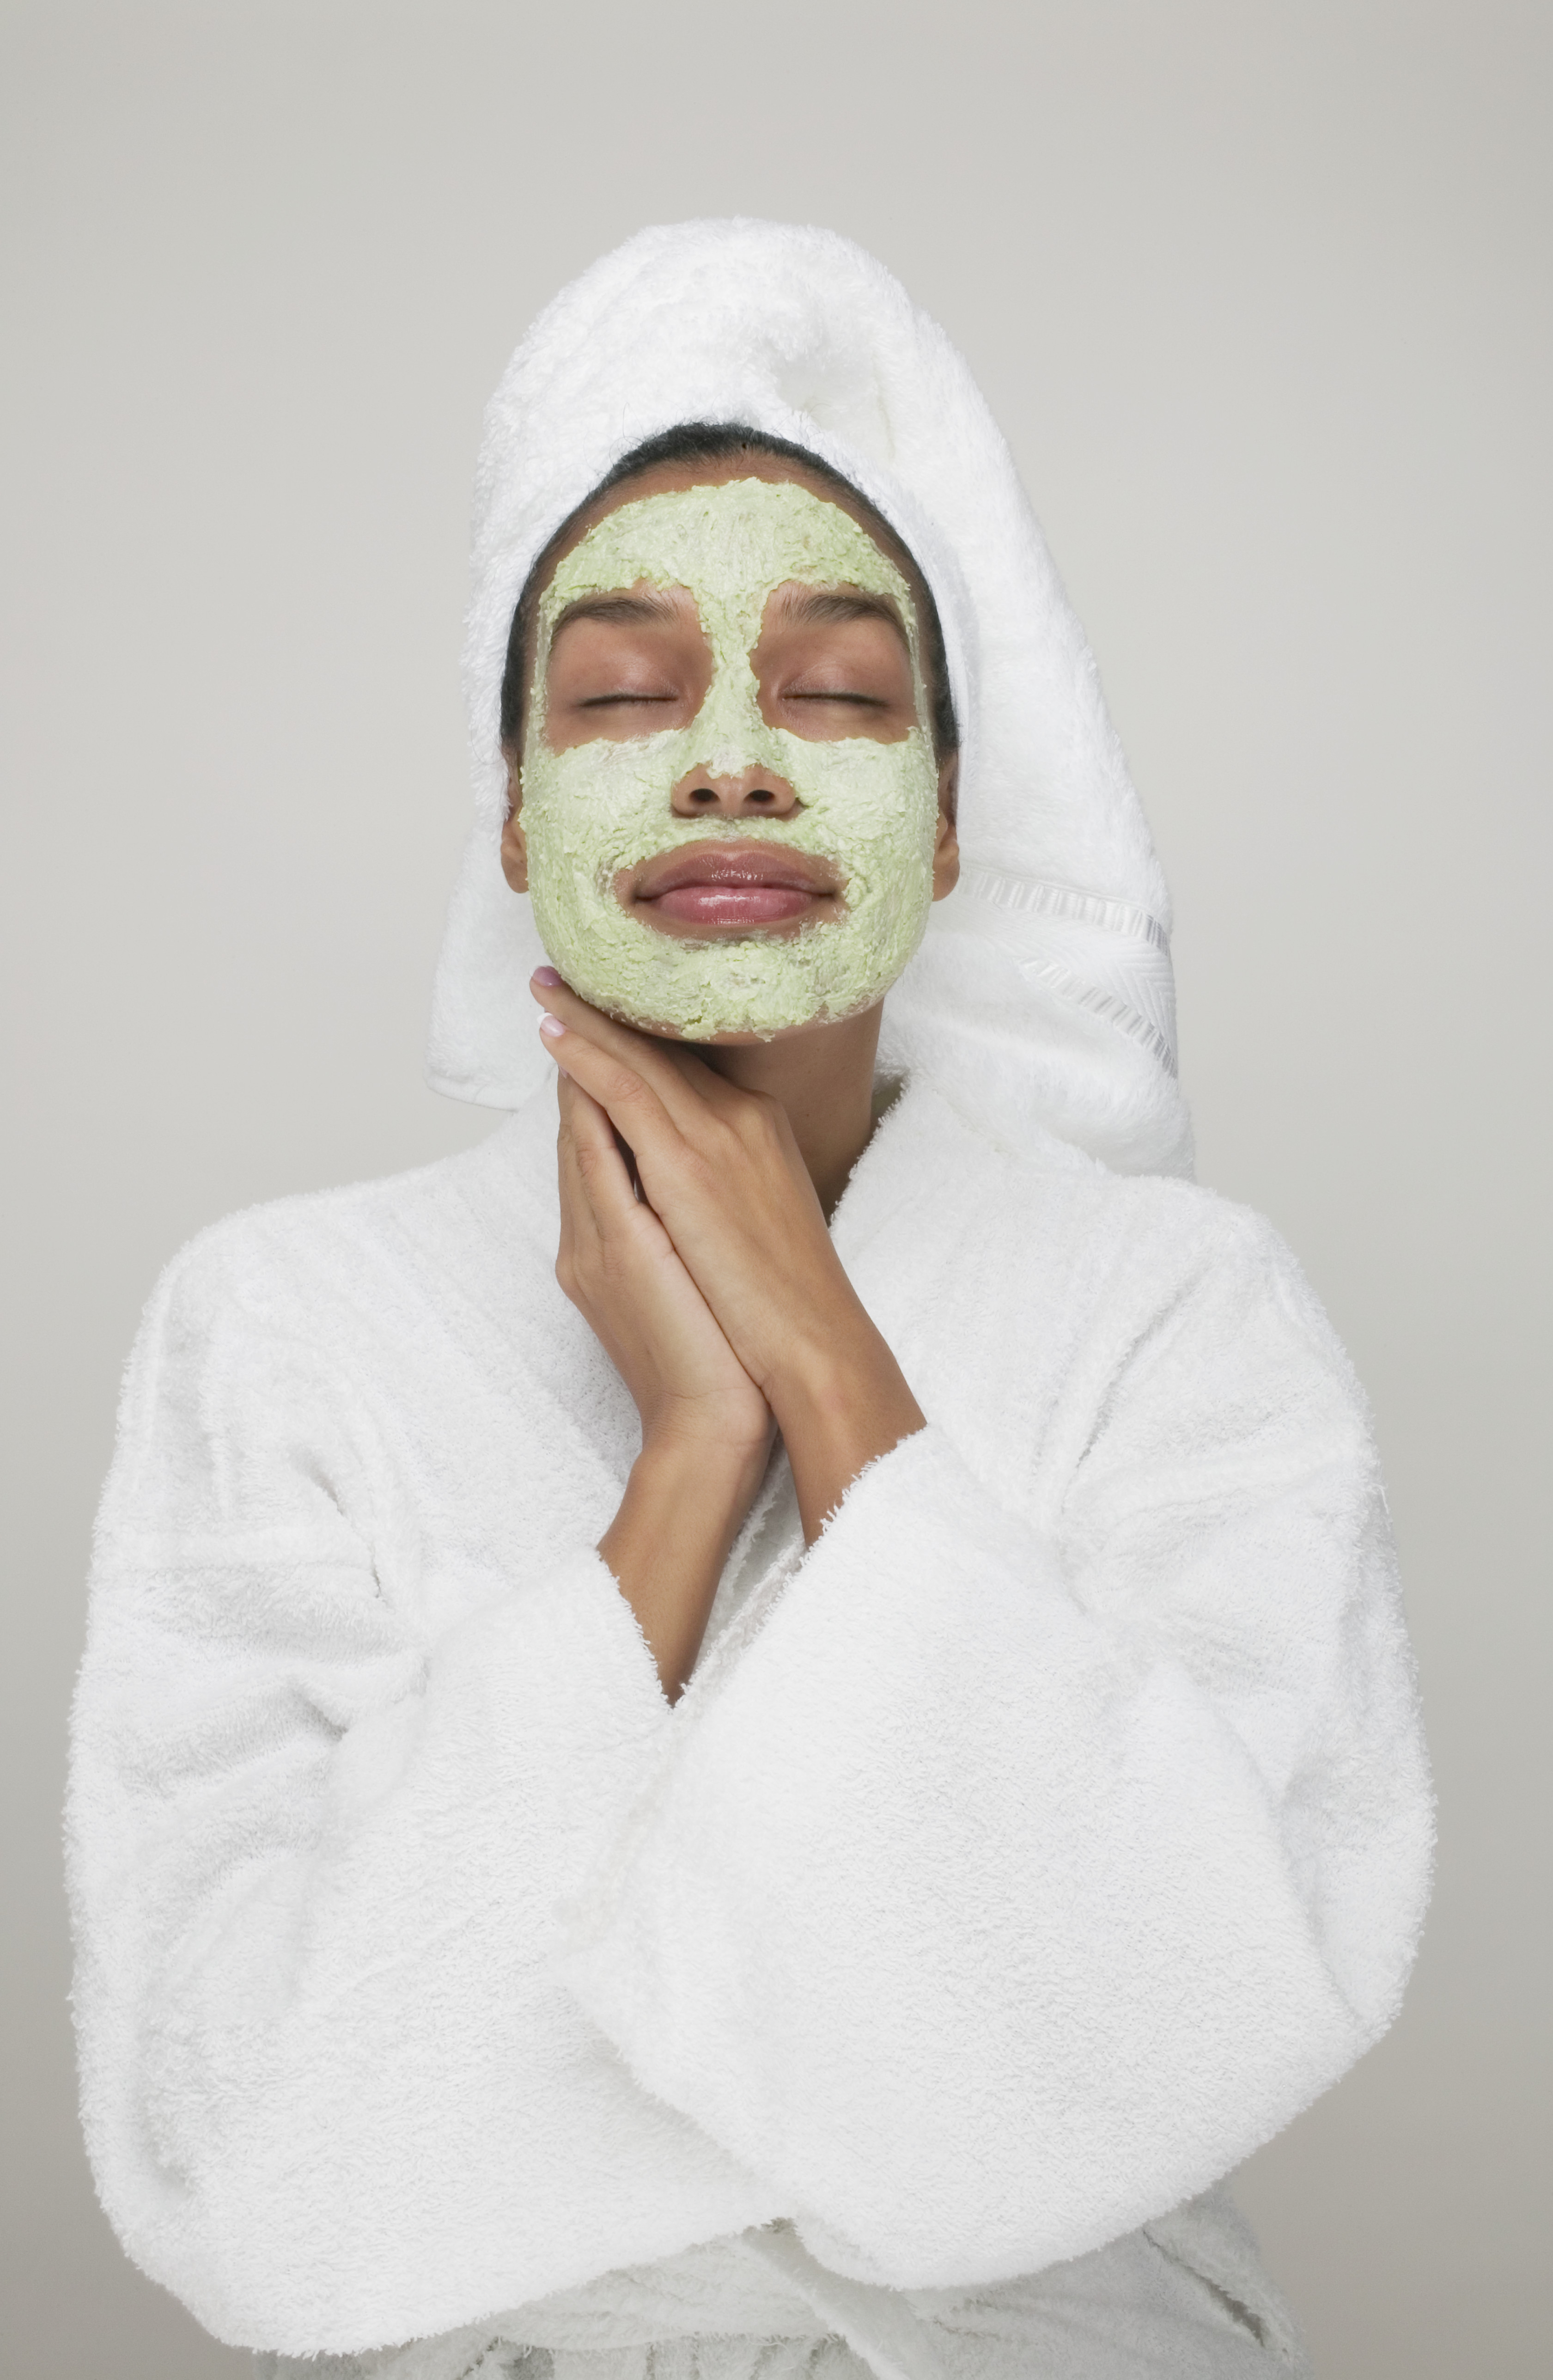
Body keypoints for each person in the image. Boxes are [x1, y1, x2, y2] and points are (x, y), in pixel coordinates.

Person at [66, 222, 1433, 2380]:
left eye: (835, 692)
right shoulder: (282, 1320)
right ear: (513, 816)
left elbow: (1206, 2007)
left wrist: (827, 1367)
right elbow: (253, 2161)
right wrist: (687, 1467)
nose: (728, 757)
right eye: (620, 693)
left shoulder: (1178, 1308)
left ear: (955, 818)